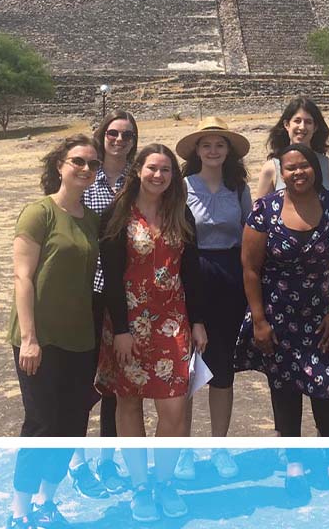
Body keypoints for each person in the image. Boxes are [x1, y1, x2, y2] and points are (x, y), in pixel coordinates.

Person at [236, 143, 329, 504]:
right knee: (284, 389)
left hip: (324, 316)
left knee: (325, 388)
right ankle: (294, 466)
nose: (298, 172)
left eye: (304, 166)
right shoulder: (265, 210)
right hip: (279, 314)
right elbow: (251, 269)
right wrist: (259, 319)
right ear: (281, 172)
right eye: (290, 168)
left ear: (314, 169)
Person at [95, 144, 206, 521]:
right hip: (128, 324)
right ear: (138, 170)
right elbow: (110, 277)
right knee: (129, 402)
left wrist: (198, 321)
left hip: (172, 321)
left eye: (166, 170)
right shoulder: (118, 214)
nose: (159, 176)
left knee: (174, 406)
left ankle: (165, 481)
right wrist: (122, 330)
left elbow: (192, 270)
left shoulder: (181, 213)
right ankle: (141, 486)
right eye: (152, 168)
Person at [5, 134, 102, 529]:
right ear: (60, 165)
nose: (85, 169)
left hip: (79, 337)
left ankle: (47, 501)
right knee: (41, 423)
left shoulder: (92, 220)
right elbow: (22, 276)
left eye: (92, 164)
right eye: (77, 161)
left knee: (73, 422)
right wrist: (29, 338)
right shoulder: (39, 212)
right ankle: (19, 511)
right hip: (40, 338)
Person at [174, 117, 252, 481]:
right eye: (206, 144)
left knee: (222, 368)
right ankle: (183, 450)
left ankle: (219, 445)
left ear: (228, 151)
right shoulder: (183, 187)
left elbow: (250, 234)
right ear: (196, 151)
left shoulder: (238, 189)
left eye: (219, 144)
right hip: (192, 274)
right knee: (188, 368)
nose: (213, 150)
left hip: (230, 278)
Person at [68, 111, 139, 499]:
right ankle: (76, 462)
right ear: (102, 135)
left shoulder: (137, 179)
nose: (118, 140)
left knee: (117, 383)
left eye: (126, 134)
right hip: (87, 291)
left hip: (124, 293)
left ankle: (107, 459)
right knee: (82, 380)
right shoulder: (84, 175)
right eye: (112, 133)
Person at [256, 96, 329, 195]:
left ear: (315, 127)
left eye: (308, 122)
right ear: (286, 125)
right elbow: (261, 209)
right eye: (297, 121)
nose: (302, 127)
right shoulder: (271, 168)